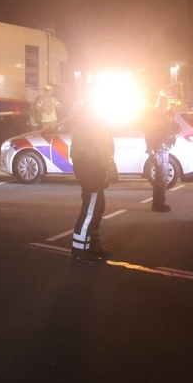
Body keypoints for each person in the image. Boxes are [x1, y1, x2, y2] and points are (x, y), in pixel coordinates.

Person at [69, 102, 116, 265]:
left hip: (87, 173)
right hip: (94, 174)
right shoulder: (96, 129)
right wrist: (113, 170)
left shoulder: (81, 128)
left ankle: (93, 245)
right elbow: (104, 153)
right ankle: (80, 251)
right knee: (90, 211)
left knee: (96, 208)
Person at [144, 95, 181, 213]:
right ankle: (158, 204)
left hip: (162, 148)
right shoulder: (160, 117)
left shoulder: (165, 115)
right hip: (159, 149)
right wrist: (151, 149)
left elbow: (176, 128)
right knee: (161, 177)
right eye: (164, 104)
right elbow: (150, 133)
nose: (165, 106)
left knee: (161, 177)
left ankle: (158, 202)